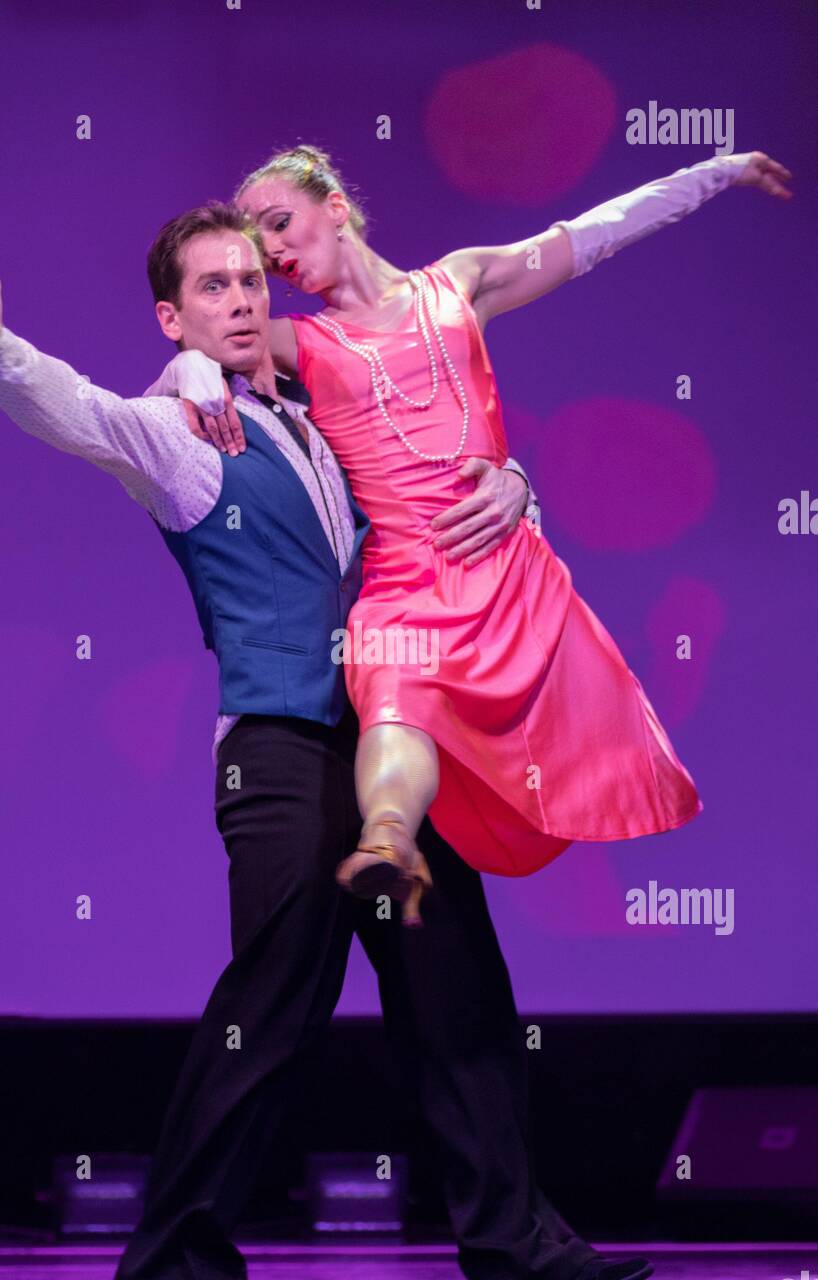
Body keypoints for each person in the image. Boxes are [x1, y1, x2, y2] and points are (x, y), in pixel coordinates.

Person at [0, 211, 650, 1280]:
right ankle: (172, 1271)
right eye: (213, 287)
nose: (241, 299)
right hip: (278, 753)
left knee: (457, 994)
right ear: (172, 316)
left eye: (249, 280)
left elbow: (445, 480)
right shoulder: (176, 432)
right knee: (271, 1005)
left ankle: (520, 1256)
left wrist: (518, 490)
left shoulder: (334, 416)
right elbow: (78, 411)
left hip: (388, 745)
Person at [153, 144, 792, 924]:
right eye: (261, 251)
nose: (275, 256)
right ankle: (388, 840)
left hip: (502, 573)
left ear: (337, 207)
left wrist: (715, 173)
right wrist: (189, 370)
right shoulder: (299, 344)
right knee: (394, 689)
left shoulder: (458, 285)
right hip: (401, 584)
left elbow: (595, 232)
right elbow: (205, 352)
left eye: (281, 226)